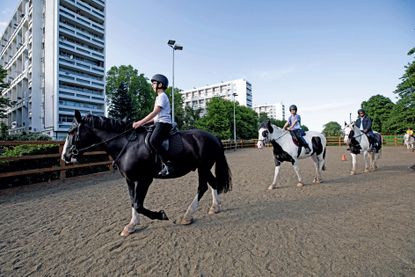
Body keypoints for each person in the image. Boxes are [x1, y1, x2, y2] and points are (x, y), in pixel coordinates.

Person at [132, 74, 173, 177]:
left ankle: (168, 164)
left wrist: (140, 122)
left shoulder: (162, 96)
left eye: (154, 83)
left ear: (160, 84)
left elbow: (155, 112)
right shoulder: (159, 97)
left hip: (164, 123)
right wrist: (142, 123)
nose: (152, 85)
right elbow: (154, 118)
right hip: (159, 122)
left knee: (153, 140)